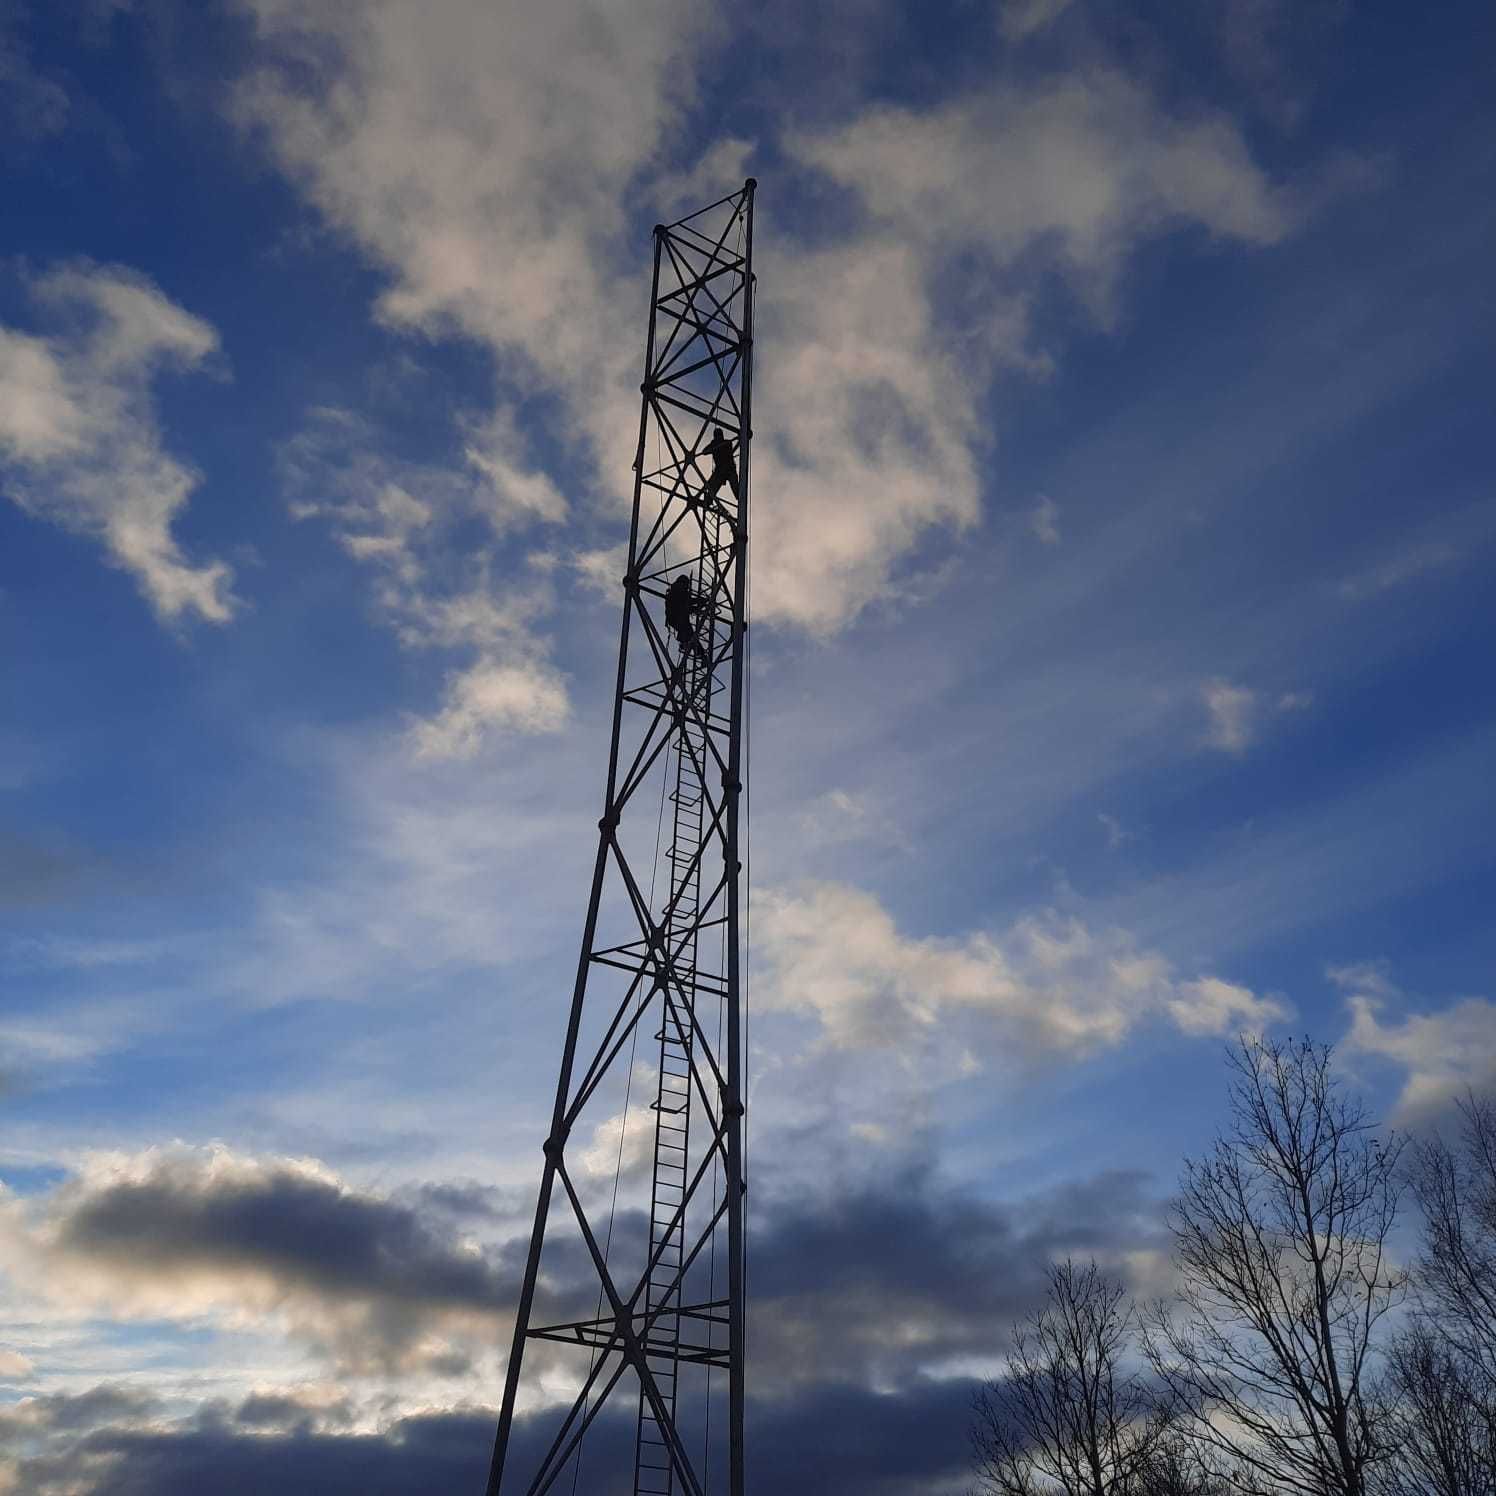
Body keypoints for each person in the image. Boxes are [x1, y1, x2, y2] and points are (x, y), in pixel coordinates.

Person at [700, 425, 739, 503]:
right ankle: (708, 500)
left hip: (728, 468)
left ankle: (739, 496)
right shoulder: (717, 444)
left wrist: (714, 445)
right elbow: (704, 452)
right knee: (712, 485)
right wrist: (713, 444)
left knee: (736, 490)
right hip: (721, 470)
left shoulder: (726, 443)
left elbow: (728, 445)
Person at [664, 574, 699, 659]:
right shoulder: (679, 590)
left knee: (689, 633)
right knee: (690, 633)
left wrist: (697, 605)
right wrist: (700, 602)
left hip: (675, 618)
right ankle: (696, 651)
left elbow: (688, 606)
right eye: (687, 584)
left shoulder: (675, 590)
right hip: (677, 617)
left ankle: (687, 644)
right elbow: (688, 604)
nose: (687, 587)